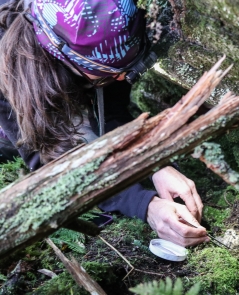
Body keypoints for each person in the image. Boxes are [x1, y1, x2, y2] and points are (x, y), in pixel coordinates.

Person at [0, 0, 209, 246]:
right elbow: (52, 161)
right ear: (64, 57)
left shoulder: (104, 22)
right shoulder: (12, 73)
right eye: (108, 74)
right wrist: (145, 205)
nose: (122, 77)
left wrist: (155, 163)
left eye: (127, 69)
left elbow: (110, 111)